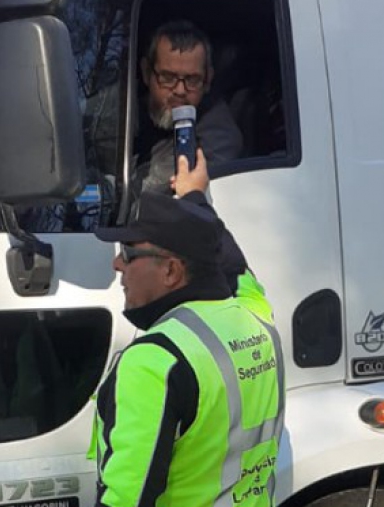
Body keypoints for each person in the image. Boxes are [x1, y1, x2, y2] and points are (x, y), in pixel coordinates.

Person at [92, 150, 283, 507]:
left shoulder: (153, 362)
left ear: (171, 271)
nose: (117, 264)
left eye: (128, 253)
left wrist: (195, 199)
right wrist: (195, 197)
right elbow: (233, 264)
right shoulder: (256, 316)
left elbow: (126, 498)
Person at [133, 19, 243, 199]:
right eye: (167, 77)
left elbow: (152, 196)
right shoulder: (119, 112)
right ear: (146, 73)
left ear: (207, 80)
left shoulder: (218, 139)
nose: (180, 90)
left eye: (192, 80)